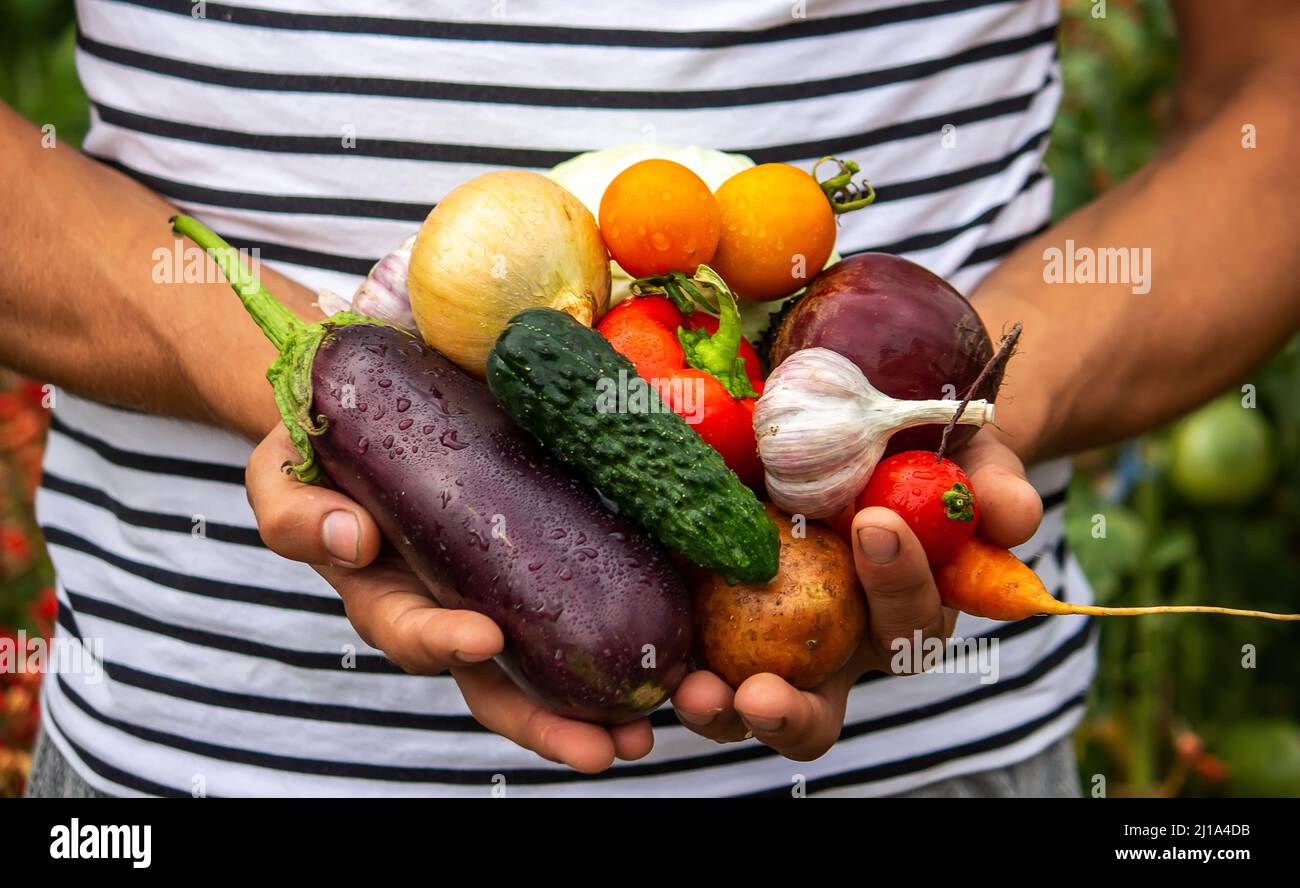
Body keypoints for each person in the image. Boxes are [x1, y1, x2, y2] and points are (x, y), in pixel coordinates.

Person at [4, 0, 1297, 798]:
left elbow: (1275, 99)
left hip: (936, 751)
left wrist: (972, 423)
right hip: (207, 754)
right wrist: (339, 395)